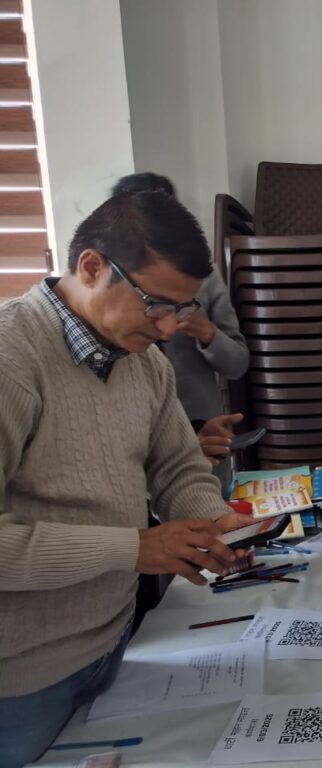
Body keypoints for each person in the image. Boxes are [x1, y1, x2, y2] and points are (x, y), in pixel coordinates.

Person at [0, 191, 251, 766]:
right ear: (91, 267)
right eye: (155, 304)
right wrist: (135, 549)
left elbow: (178, 466)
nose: (168, 329)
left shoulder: (145, 363)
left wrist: (216, 523)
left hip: (116, 642)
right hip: (20, 678)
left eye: (181, 309)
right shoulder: (12, 359)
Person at [111, 172, 249, 488]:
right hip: (132, 447)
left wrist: (207, 333)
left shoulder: (204, 277)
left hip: (202, 432)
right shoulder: (106, 294)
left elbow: (238, 363)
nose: (166, 326)